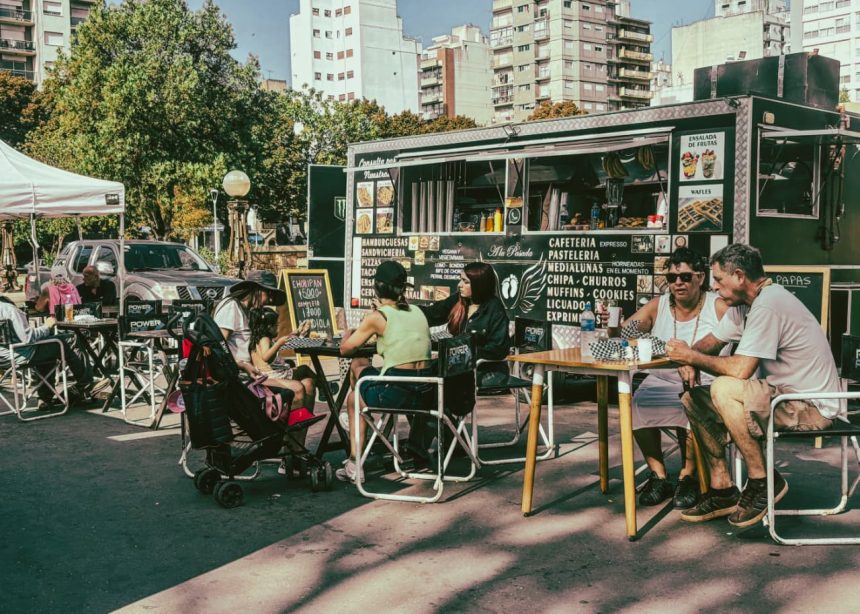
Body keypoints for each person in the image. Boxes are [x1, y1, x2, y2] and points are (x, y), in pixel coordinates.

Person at [667, 244, 842, 528]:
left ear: (739, 276)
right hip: (779, 398)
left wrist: (691, 358)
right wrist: (690, 357)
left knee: (724, 388)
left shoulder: (769, 304)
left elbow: (741, 369)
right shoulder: (744, 304)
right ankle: (723, 489)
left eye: (718, 279)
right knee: (693, 398)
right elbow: (712, 342)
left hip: (810, 406)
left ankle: (763, 481)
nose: (714, 286)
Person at [621, 248, 729, 509]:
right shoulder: (659, 305)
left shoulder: (717, 305)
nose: (678, 283)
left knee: (691, 405)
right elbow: (627, 331)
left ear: (700, 277)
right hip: (662, 379)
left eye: (685, 277)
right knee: (637, 404)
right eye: (672, 278)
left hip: (705, 380)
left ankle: (688, 476)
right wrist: (615, 324)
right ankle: (658, 475)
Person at [337, 260, 434, 483]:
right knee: (361, 371)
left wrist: (350, 332)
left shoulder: (378, 317)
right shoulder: (418, 312)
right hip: (424, 394)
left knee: (355, 388)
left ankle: (355, 458)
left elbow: (345, 349)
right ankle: (363, 423)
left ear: (376, 287)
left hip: (396, 394)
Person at [420, 262, 511, 388]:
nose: (459, 285)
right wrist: (402, 309)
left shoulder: (495, 309)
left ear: (480, 284)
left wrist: (462, 352)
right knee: (422, 372)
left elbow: (498, 349)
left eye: (465, 282)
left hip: (486, 372)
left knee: (434, 380)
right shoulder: (458, 300)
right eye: (460, 280)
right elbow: (432, 314)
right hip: (457, 367)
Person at [0, 296, 94, 408]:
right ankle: (85, 385)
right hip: (22, 355)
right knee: (70, 339)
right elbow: (28, 338)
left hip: (4, 359)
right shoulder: (9, 309)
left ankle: (45, 398)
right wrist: (47, 326)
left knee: (48, 347)